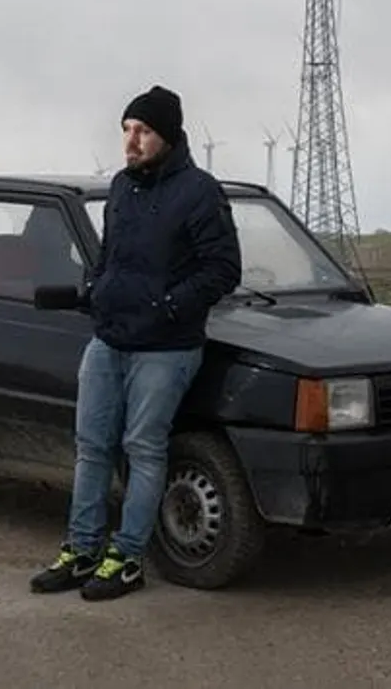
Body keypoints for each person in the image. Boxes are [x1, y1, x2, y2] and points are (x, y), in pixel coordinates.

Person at [29, 84, 242, 601]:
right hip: (109, 340)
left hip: (166, 348)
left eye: (142, 131)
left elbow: (223, 270)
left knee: (143, 449)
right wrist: (98, 290)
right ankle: (82, 550)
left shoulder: (199, 192)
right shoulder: (122, 188)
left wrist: (168, 307)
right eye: (126, 130)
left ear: (166, 134)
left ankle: (125, 559)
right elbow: (109, 258)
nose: (131, 141)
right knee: (91, 447)